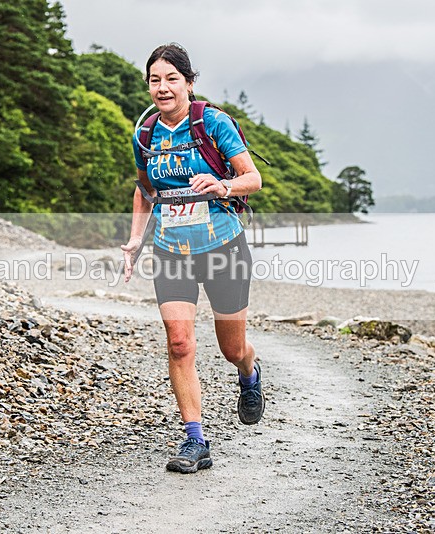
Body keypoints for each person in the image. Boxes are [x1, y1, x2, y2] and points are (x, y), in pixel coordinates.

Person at [121, 43, 265, 473]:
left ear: (188, 82)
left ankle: (250, 373)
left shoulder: (212, 122)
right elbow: (146, 189)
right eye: (154, 80)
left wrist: (221, 186)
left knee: (231, 347)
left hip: (222, 248)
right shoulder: (145, 134)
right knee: (180, 342)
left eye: (171, 79)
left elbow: (252, 179)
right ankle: (194, 439)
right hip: (171, 251)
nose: (162, 88)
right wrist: (134, 239)